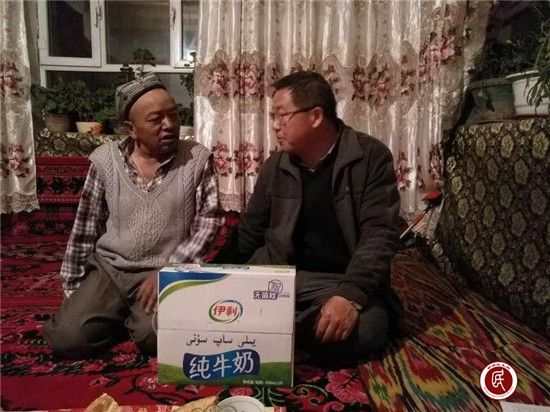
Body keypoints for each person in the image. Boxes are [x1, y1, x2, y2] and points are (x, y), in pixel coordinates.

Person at [214, 71, 401, 364]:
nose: (275, 125)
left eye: (282, 115)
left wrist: (350, 295)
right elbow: (250, 232)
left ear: (315, 116)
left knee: (366, 328)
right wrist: (213, 278)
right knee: (210, 310)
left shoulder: (369, 158)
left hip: (337, 281)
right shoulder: (276, 166)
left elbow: (379, 235)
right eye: (273, 117)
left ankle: (273, 332)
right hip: (278, 277)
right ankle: (284, 332)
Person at [44, 74, 223, 358]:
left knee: (156, 339)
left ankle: (126, 318)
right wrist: (75, 293)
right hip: (111, 269)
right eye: (156, 119)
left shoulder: (196, 158)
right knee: (67, 338)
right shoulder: (105, 160)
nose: (170, 125)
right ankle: (119, 314)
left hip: (165, 270)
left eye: (174, 115)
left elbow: (209, 222)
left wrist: (171, 270)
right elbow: (85, 228)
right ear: (131, 129)